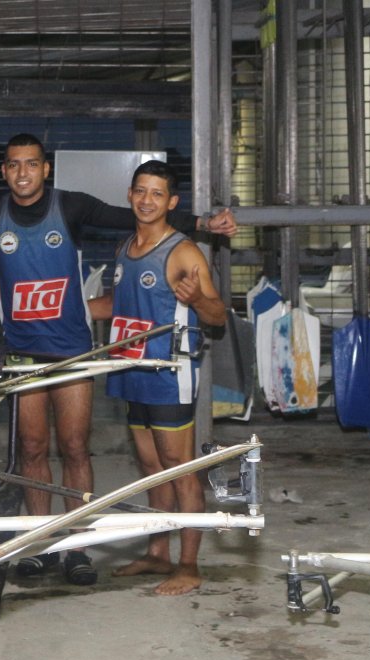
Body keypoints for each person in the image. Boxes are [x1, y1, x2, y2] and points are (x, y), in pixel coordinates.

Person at [0, 134, 237, 586]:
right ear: (4, 171)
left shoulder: (73, 208)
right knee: (33, 449)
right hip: (25, 350)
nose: (23, 172)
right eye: (14, 164)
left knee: (77, 448)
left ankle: (79, 546)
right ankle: (40, 544)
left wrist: (203, 223)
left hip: (77, 350)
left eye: (31, 163)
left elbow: (134, 215)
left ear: (45, 168)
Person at [89, 160, 226, 595]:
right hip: (132, 368)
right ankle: (157, 553)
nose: (147, 200)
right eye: (140, 191)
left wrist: (198, 299)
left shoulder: (183, 252)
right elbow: (117, 304)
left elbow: (218, 315)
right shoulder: (126, 247)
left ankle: (189, 566)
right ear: (130, 195)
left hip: (169, 372)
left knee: (180, 469)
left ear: (172, 202)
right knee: (151, 467)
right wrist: (69, 310)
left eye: (157, 194)